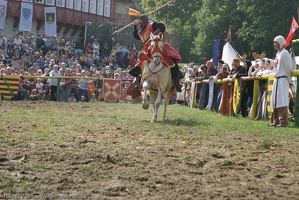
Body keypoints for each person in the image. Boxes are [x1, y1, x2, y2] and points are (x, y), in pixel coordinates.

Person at [129, 14, 182, 92]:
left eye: (139, 21)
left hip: (159, 47)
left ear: (142, 20)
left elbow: (162, 27)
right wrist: (134, 26)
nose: (138, 22)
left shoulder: (152, 25)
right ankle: (138, 82)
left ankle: (176, 81)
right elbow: (136, 36)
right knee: (139, 66)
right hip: (148, 49)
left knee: (172, 61)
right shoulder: (141, 31)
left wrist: (154, 34)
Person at [268, 35, 292, 127]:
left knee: (282, 100)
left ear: (281, 43)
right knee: (275, 100)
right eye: (274, 42)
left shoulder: (285, 53)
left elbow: (288, 68)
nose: (274, 44)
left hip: (282, 79)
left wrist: (289, 80)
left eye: (276, 42)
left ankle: (283, 121)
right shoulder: (278, 54)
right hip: (277, 79)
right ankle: (276, 120)